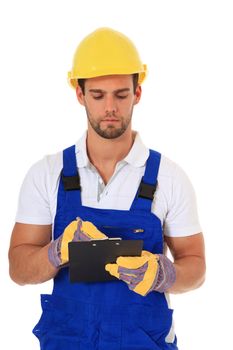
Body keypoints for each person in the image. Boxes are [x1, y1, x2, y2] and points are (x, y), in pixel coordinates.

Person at [8, 27, 206, 350]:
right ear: (80, 94)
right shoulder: (46, 175)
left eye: (121, 94)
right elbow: (18, 267)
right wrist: (57, 251)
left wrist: (163, 274)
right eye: (98, 95)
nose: (110, 108)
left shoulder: (169, 179)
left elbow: (196, 265)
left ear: (137, 93)